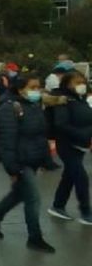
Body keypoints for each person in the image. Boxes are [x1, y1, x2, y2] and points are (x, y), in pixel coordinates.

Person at [0, 73, 56, 253]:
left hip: (33, 158)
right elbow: (7, 142)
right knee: (33, 198)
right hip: (20, 161)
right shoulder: (9, 108)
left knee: (18, 194)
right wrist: (13, 169)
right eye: (32, 87)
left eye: (38, 87)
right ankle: (34, 237)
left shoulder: (34, 105)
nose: (36, 91)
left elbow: (40, 134)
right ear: (20, 89)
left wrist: (46, 159)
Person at [48, 71, 92, 224]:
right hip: (67, 144)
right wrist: (84, 134)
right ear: (67, 84)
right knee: (81, 177)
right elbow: (61, 124)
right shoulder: (62, 100)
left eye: (83, 82)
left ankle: (57, 206)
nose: (81, 85)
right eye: (77, 82)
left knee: (69, 176)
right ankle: (86, 212)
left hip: (80, 145)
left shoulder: (80, 99)